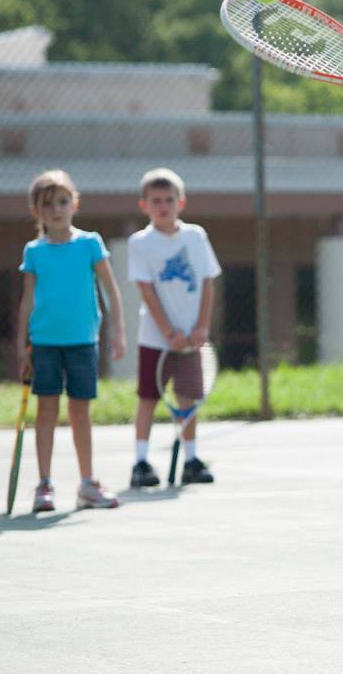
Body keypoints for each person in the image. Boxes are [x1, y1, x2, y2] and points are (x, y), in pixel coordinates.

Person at [15, 170, 125, 512]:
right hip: (45, 344)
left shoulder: (90, 243)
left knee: (80, 411)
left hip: (82, 342)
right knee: (46, 410)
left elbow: (111, 290)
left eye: (62, 202)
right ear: (37, 211)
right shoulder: (34, 251)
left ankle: (87, 483)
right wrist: (22, 345)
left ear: (74, 204)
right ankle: (44, 484)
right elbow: (28, 301)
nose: (56, 210)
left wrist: (118, 331)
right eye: (47, 205)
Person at [127, 168, 220, 488]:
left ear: (181, 203)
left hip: (192, 338)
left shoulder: (196, 236)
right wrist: (168, 332)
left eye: (169, 200)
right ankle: (140, 462)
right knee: (149, 398)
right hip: (156, 339)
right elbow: (147, 291)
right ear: (144, 206)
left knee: (188, 398)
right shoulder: (140, 243)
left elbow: (207, 282)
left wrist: (201, 327)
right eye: (155, 201)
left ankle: (191, 459)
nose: (162, 206)